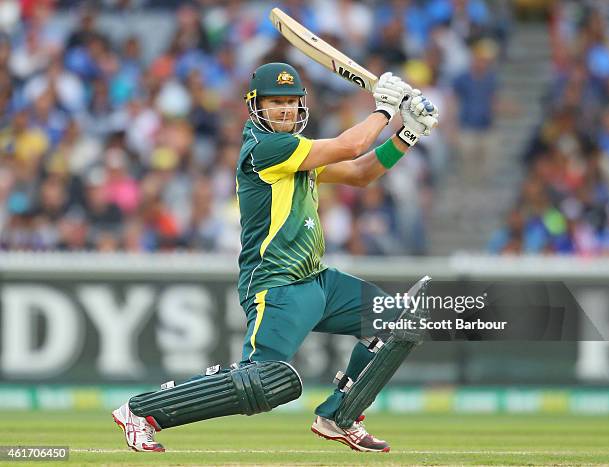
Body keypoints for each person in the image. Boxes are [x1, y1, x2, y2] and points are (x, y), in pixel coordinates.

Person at [111, 62, 438, 453]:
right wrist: (384, 108)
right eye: (274, 102)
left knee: (396, 321)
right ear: (256, 107)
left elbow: (359, 172)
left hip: (319, 280)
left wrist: (408, 133)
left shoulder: (298, 153)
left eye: (290, 101)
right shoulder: (265, 148)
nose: (284, 109)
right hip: (276, 285)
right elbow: (352, 145)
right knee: (263, 381)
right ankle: (141, 411)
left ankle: (340, 415)